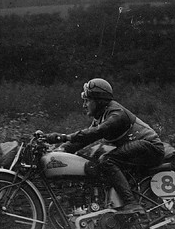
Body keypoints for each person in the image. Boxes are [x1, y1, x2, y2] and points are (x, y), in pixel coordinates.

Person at [45, 78, 165, 214]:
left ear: (98, 101)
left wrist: (63, 137)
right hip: (137, 150)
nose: (84, 105)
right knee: (97, 163)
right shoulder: (101, 116)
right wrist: (58, 151)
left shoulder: (116, 114)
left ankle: (132, 204)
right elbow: (83, 140)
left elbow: (96, 132)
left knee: (107, 160)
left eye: (87, 101)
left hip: (151, 147)